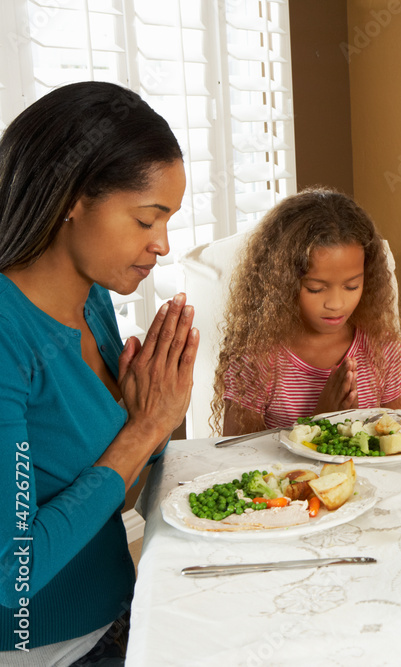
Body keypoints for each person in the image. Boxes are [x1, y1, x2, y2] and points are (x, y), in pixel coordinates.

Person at [0, 82, 198, 664]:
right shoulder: (8, 336)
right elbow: (13, 572)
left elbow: (128, 491)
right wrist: (141, 431)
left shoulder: (90, 301)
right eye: (146, 220)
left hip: (122, 615)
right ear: (72, 197)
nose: (162, 244)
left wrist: (154, 428)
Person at [211, 187, 401, 436]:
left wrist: (358, 423)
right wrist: (318, 422)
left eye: (352, 286)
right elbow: (238, 454)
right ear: (281, 285)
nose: (336, 304)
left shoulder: (383, 350)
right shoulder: (258, 360)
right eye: (316, 289)